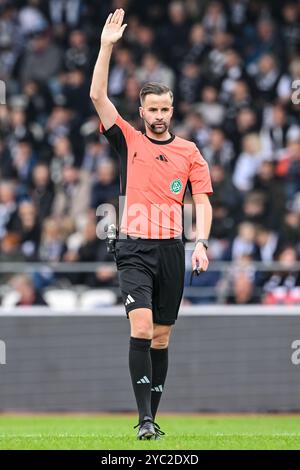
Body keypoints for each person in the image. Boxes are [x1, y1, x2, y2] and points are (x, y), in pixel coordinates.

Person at [90, 9, 213, 440]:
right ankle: (143, 420)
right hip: (135, 247)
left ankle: (151, 418)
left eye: (165, 108)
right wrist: (106, 46)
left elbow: (202, 200)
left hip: (171, 250)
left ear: (172, 109)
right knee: (140, 327)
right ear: (141, 111)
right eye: (152, 109)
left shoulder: (190, 151)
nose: (159, 115)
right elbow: (97, 97)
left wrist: (200, 243)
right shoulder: (129, 140)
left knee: (160, 339)